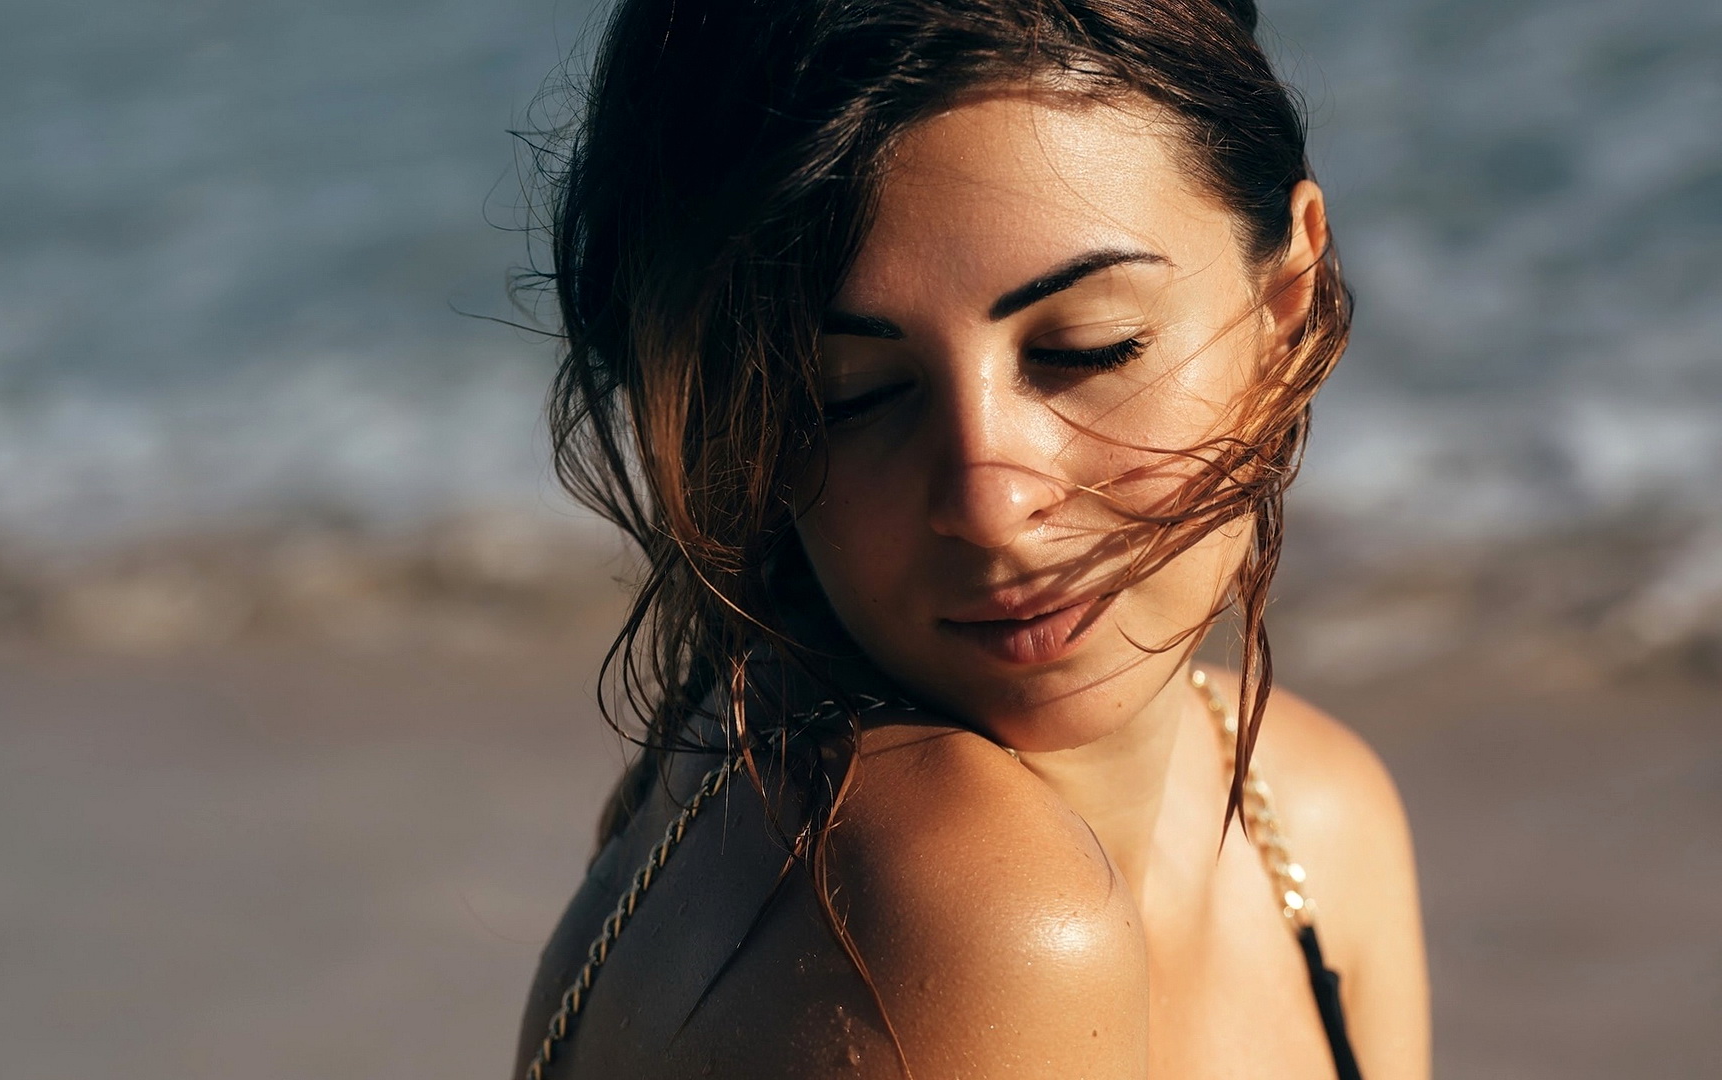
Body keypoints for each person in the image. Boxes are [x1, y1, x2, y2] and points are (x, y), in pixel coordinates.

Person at [514, 0, 1430, 1076]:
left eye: (1087, 350)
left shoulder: (1302, 812)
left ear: (1287, 305)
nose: (989, 505)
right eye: (852, 395)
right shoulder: (970, 916)